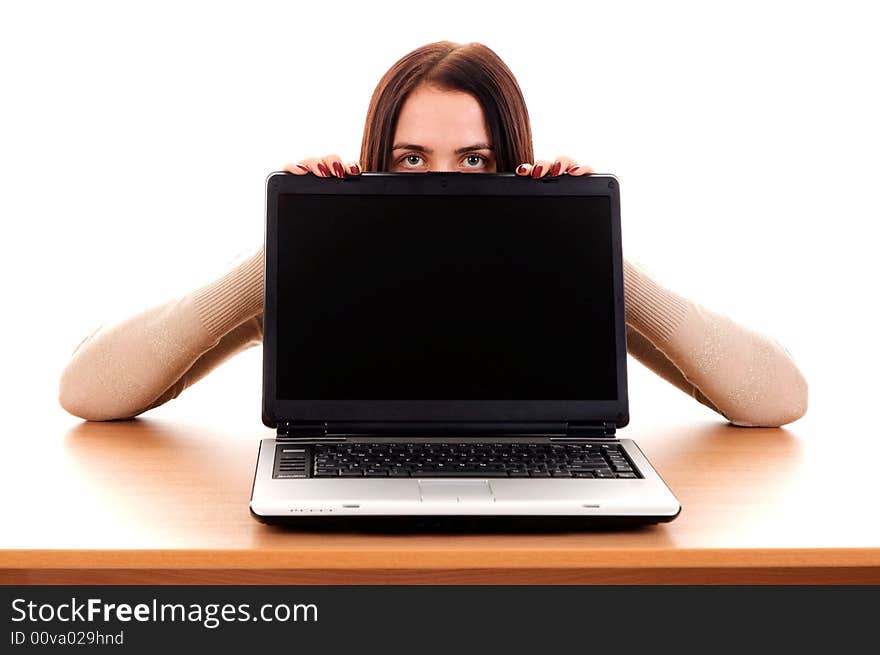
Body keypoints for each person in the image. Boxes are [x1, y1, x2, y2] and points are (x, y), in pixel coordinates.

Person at [58, 40, 808, 427]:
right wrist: (281, 255)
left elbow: (777, 399)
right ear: (374, 160)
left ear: (512, 160)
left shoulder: (550, 277)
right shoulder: (337, 274)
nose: (441, 181)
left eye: (475, 159)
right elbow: (87, 389)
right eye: (409, 158)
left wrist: (587, 247)